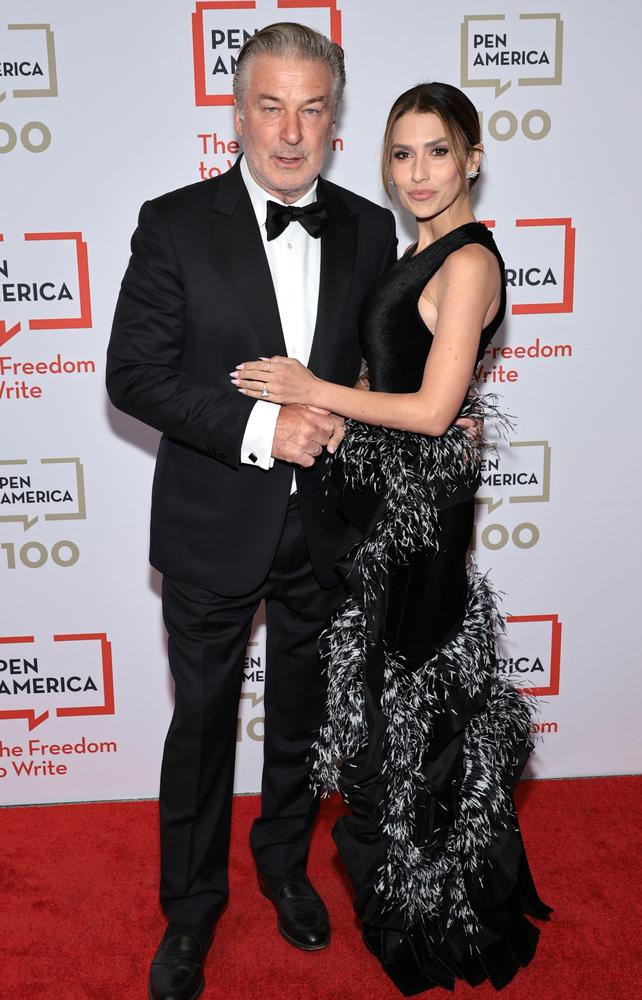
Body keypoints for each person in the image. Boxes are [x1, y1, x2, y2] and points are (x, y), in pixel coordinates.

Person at [233, 82, 551, 994]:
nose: (417, 172)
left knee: (410, 714)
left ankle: (438, 911)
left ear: (473, 161)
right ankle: (414, 897)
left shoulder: (470, 264)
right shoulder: (417, 250)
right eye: (402, 154)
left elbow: (435, 407)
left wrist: (314, 389)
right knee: (387, 713)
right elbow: (401, 383)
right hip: (385, 506)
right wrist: (342, 422)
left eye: (438, 152)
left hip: (421, 522)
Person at [106, 22, 399, 1000]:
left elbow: (371, 373)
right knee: (201, 724)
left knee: (301, 716)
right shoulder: (173, 222)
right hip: (209, 521)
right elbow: (133, 375)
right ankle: (189, 913)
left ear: (334, 119)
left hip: (323, 527)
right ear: (235, 114)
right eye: (269, 106)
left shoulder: (366, 226)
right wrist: (259, 426)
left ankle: (282, 864)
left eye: (310, 108)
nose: (288, 131)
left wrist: (365, 411)